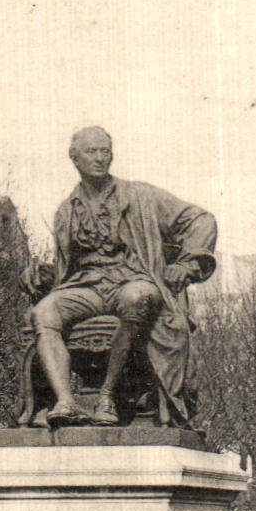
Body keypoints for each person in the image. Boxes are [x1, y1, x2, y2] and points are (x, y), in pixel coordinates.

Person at [24, 126, 217, 427]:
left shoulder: (142, 196)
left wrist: (186, 263)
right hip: (86, 285)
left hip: (133, 279)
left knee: (136, 297)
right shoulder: (66, 210)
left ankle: (107, 396)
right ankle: (65, 401)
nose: (100, 158)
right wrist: (42, 273)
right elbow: (66, 269)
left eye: (106, 152)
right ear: (74, 158)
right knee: (43, 311)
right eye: (92, 152)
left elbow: (201, 220)